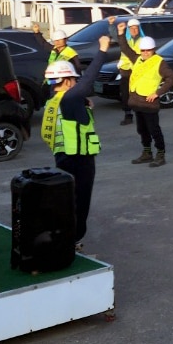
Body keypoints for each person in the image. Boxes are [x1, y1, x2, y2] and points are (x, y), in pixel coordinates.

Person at [39, 35, 110, 250]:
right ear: (67, 80)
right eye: (74, 79)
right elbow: (89, 79)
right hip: (79, 159)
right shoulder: (70, 98)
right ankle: (73, 239)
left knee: (67, 200)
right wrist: (103, 50)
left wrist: (83, 102)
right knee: (80, 202)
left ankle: (67, 237)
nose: (78, 82)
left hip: (63, 157)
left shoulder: (54, 100)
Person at [117, 23, 173, 167]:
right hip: (137, 102)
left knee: (154, 129)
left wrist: (158, 93)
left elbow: (171, 78)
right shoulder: (137, 58)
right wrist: (120, 33)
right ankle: (147, 153)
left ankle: (160, 154)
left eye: (148, 51)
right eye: (143, 50)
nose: (145, 53)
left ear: (153, 50)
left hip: (150, 103)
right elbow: (125, 48)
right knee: (142, 129)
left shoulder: (159, 62)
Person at [108, 16, 144, 125]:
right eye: (131, 28)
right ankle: (128, 115)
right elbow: (116, 35)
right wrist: (111, 25)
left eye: (136, 28)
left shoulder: (143, 41)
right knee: (125, 94)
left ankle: (142, 114)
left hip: (137, 70)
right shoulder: (125, 39)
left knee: (139, 93)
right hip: (125, 70)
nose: (134, 30)